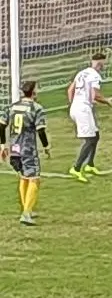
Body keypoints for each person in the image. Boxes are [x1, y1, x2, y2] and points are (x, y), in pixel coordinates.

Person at [0, 81, 50, 225]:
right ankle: (26, 213)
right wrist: (46, 146)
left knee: (23, 177)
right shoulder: (36, 108)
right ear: (33, 92)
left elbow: (2, 125)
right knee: (34, 178)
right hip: (28, 148)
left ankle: (27, 208)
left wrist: (3, 144)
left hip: (15, 146)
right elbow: (41, 130)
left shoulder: (12, 106)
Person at [67, 53, 112, 182]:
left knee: (95, 135)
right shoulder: (95, 76)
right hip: (82, 110)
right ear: (100, 63)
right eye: (103, 63)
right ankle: (76, 168)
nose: (104, 66)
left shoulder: (82, 73)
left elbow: (70, 90)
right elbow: (96, 96)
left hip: (77, 107)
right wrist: (107, 101)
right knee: (90, 140)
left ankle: (90, 165)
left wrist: (73, 104)